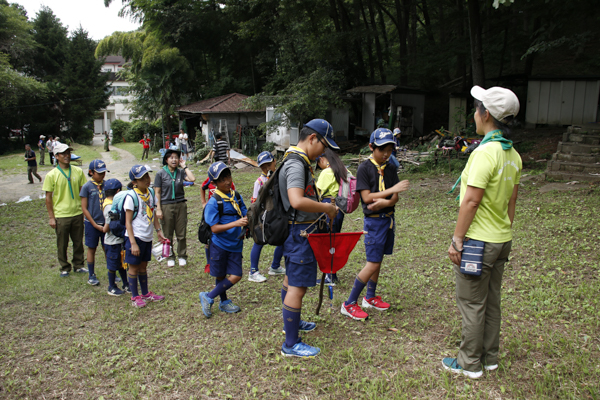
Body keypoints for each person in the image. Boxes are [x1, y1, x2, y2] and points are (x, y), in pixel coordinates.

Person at [442, 86, 521, 379]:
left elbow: (471, 201)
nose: (474, 114)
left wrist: (457, 240)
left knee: (472, 302)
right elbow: (512, 200)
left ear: (485, 114)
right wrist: (503, 227)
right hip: (501, 240)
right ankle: (490, 358)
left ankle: (469, 363)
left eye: (476, 109)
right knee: (491, 300)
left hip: (478, 242)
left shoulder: (485, 153)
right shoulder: (512, 154)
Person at [278, 119, 339, 358]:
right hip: (300, 234)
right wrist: (326, 208)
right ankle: (291, 344)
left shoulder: (294, 160)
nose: (324, 151)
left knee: (289, 280)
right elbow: (296, 200)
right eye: (324, 144)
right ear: (312, 138)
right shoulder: (296, 165)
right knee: (298, 287)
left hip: (296, 231)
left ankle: (291, 324)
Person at [340, 128, 410, 321]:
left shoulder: (390, 167)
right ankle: (349, 303)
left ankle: (369, 297)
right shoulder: (365, 168)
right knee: (372, 263)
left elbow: (394, 197)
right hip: (373, 223)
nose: (386, 153)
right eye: (382, 149)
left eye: (389, 149)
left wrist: (387, 202)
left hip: (388, 219)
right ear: (371, 147)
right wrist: (391, 190)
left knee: (378, 260)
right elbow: (367, 197)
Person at [198, 161, 248, 317]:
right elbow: (214, 228)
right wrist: (236, 223)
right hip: (220, 244)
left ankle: (208, 296)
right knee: (220, 274)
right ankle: (223, 301)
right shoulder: (213, 202)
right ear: (214, 183)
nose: (227, 181)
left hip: (235, 243)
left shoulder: (236, 196)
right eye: (222, 179)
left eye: (228, 176)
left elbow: (245, 213)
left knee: (236, 275)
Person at [42, 143, 88, 277]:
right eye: (63, 153)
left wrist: (85, 211)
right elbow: (48, 198)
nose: (67, 156)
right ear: (56, 156)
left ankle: (78, 265)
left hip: (78, 213)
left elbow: (82, 192)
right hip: (61, 215)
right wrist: (51, 217)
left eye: (68, 152)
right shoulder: (52, 175)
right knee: (62, 243)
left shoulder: (78, 171)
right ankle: (64, 267)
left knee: (78, 242)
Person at [125, 165, 167, 308]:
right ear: (134, 182)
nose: (147, 180)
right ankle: (134, 296)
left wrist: (158, 231)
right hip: (135, 237)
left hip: (147, 236)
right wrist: (132, 243)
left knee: (143, 266)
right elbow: (128, 222)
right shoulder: (131, 197)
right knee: (133, 267)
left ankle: (145, 293)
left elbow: (153, 212)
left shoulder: (150, 193)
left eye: (147, 176)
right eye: (142, 178)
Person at [154, 148, 196, 267]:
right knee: (167, 233)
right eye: (171, 157)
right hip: (166, 205)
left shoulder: (180, 172)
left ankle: (182, 255)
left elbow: (192, 179)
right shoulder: (160, 173)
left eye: (176, 157)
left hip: (180, 205)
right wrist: (158, 209)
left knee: (181, 233)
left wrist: (185, 166)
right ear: (166, 159)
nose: (174, 160)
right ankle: (170, 256)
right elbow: (157, 192)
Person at [248, 151, 285, 283]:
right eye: (264, 166)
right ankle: (253, 271)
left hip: (277, 215)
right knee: (259, 241)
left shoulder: (280, 177)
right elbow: (255, 202)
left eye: (269, 164)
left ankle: (275, 266)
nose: (267, 168)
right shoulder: (259, 181)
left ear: (275, 161)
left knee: (282, 239)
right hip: (264, 216)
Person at [315, 147, 348, 284]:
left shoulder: (327, 172)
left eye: (318, 164)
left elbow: (317, 193)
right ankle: (332, 274)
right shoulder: (343, 170)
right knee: (333, 239)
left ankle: (329, 275)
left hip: (329, 206)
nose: (319, 167)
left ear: (322, 159)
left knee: (327, 241)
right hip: (340, 207)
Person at [80, 159, 109, 286]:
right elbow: (84, 208)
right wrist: (93, 224)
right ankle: (91, 275)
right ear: (91, 172)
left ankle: (112, 272)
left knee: (107, 248)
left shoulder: (107, 185)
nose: (102, 175)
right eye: (99, 173)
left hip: (105, 223)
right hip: (92, 223)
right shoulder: (87, 187)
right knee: (92, 248)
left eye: (104, 172)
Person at [200, 175, 236, 272]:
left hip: (223, 213)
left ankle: (225, 262)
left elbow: (233, 196)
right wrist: (203, 202)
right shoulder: (210, 180)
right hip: (211, 211)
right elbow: (202, 187)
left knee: (221, 236)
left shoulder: (229, 184)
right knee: (208, 237)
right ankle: (209, 263)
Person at [102, 178, 129, 296]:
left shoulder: (111, 204)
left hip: (119, 241)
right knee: (113, 265)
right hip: (112, 242)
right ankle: (111, 286)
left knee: (121, 264)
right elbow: (106, 228)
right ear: (118, 191)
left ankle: (126, 283)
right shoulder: (109, 207)